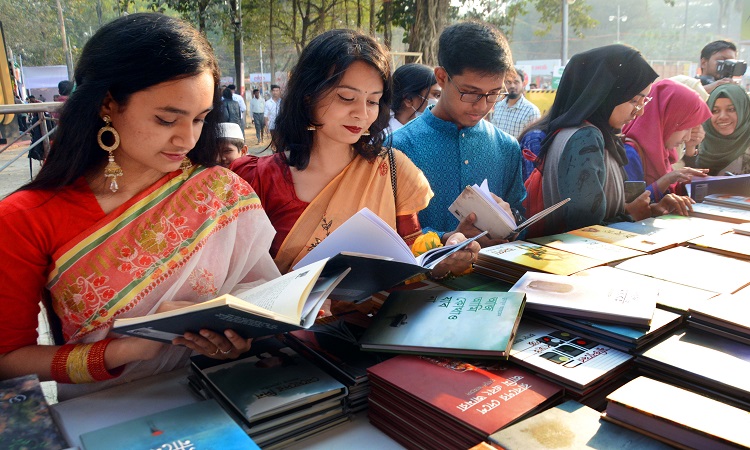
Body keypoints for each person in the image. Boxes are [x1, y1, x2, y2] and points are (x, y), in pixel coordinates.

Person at [0, 13, 280, 400]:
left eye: (200, 119)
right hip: (105, 411)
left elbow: (260, 296)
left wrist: (237, 336)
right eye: (167, 119)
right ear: (108, 104)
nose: (187, 138)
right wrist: (125, 349)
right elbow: (9, 358)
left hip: (224, 394)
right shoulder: (26, 217)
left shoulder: (218, 190)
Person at [231, 28, 478, 280]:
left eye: (372, 101)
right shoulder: (257, 180)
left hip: (374, 318)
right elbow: (238, 278)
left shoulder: (393, 169)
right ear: (308, 96)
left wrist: (446, 254)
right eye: (346, 97)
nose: (361, 113)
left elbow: (412, 255)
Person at [519, 44, 693, 238]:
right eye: (634, 101)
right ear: (606, 93)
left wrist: (651, 210)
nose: (640, 111)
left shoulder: (590, 134)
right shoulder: (585, 138)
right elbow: (586, 230)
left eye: (644, 101)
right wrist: (633, 215)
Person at [390, 21, 526, 247]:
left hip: (496, 278)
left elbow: (520, 216)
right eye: (470, 93)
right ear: (442, 78)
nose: (482, 106)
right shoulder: (398, 146)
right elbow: (386, 228)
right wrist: (446, 239)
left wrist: (512, 223)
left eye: (493, 94)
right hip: (421, 281)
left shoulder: (507, 147)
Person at [622, 79, 712, 202]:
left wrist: (682, 182)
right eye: (685, 128)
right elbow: (631, 208)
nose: (687, 137)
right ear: (668, 120)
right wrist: (667, 180)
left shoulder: (663, 154)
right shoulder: (630, 154)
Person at [696, 83, 750, 175]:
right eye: (715, 111)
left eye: (731, 109)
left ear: (744, 111)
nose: (723, 117)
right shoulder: (696, 139)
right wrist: (690, 150)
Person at [388, 63, 441, 133]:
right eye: (436, 95)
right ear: (408, 99)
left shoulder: (426, 132)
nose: (441, 101)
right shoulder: (387, 140)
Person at [490, 67, 540, 139]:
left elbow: (533, 139)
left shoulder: (531, 111)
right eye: (508, 82)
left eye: (516, 82)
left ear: (523, 84)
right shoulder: (498, 106)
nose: (512, 86)